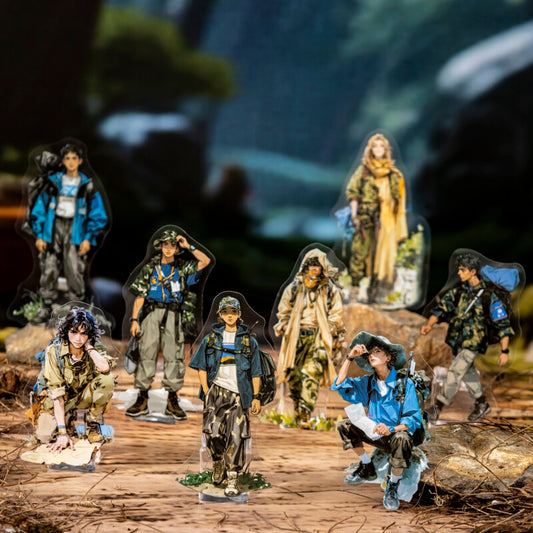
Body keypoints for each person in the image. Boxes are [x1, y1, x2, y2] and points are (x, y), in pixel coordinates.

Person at [126, 228, 211, 420]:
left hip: (174, 313)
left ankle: (172, 398)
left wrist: (189, 246)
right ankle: (142, 396)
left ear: (177, 248)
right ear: (160, 246)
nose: (169, 248)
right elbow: (140, 296)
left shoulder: (182, 268)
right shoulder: (150, 268)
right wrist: (134, 320)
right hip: (151, 312)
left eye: (173, 245)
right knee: (146, 352)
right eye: (166, 244)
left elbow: (205, 261)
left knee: (174, 355)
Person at [333, 331, 422, 511]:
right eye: (370, 353)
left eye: (377, 352)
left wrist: (391, 429)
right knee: (344, 425)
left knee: (402, 438)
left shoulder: (405, 384)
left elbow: (413, 419)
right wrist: (350, 357)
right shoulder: (368, 382)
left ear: (388, 357)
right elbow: (340, 384)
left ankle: (393, 486)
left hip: (396, 435)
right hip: (374, 433)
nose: (372, 355)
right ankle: (367, 466)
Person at [420, 252, 513, 422]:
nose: (459, 273)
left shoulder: (488, 296)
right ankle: (482, 403)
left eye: (462, 270)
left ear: (473, 271)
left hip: (474, 343)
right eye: (458, 269)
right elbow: (441, 308)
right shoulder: (459, 292)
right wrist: (429, 325)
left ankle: (437, 407)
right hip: (458, 341)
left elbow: (503, 324)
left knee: (455, 371)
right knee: (469, 374)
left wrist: (504, 350)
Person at [189, 296, 263, 497]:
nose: (229, 316)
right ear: (220, 315)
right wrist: (207, 391)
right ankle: (218, 462)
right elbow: (202, 367)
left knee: (237, 437)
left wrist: (256, 397)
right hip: (216, 392)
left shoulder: (249, 341)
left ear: (239, 314)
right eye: (225, 312)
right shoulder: (211, 339)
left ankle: (232, 478)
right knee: (213, 434)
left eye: (233, 312)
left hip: (239, 395)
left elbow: (256, 372)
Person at [29, 143, 109, 323]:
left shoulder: (87, 186)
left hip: (76, 231)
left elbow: (98, 215)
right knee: (49, 266)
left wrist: (88, 237)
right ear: (63, 161)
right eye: (67, 158)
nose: (71, 162)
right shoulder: (52, 183)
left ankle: (77, 309)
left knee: (74, 267)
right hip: (53, 228)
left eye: (74, 158)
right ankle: (46, 306)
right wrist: (40, 234)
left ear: (80, 161)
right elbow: (39, 209)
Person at [273, 248, 345, 428]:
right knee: (294, 376)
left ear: (322, 267)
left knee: (311, 374)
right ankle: (298, 410)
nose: (314, 269)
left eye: (317, 265)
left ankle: (305, 413)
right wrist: (284, 323)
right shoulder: (295, 288)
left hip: (318, 338)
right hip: (296, 337)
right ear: (305, 266)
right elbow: (284, 309)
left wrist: (330, 328)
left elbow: (336, 312)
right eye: (311, 265)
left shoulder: (329, 289)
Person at [34, 307, 115, 451]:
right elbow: (57, 395)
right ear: (66, 331)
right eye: (74, 332)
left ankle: (93, 425)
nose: (78, 338)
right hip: (61, 399)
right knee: (45, 436)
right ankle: (67, 420)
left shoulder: (95, 348)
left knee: (107, 379)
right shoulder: (54, 351)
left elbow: (105, 368)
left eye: (84, 333)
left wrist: (89, 348)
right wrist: (62, 433)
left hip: (83, 396)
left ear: (89, 334)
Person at [345, 134, 407, 295]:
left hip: (385, 222)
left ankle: (375, 291)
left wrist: (389, 202)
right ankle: (355, 288)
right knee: (360, 254)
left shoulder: (392, 173)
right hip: (365, 219)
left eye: (381, 146)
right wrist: (354, 216)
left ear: (386, 150)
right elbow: (353, 193)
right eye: (375, 146)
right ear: (370, 149)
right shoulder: (364, 171)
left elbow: (398, 199)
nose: (378, 149)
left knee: (379, 257)